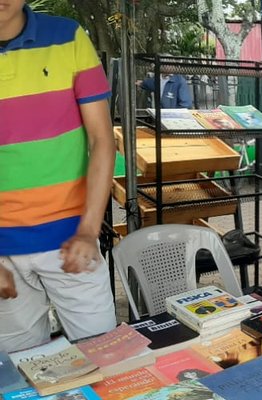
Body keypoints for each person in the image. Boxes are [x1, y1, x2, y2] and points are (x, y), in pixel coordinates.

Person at [0, 1, 117, 351]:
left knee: (107, 358)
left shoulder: (68, 37)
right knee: (20, 372)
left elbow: (102, 140)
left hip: (72, 241)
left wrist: (87, 231)